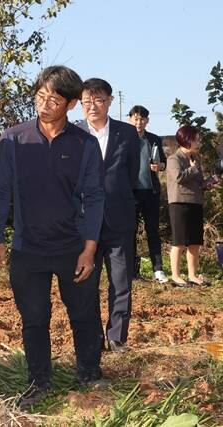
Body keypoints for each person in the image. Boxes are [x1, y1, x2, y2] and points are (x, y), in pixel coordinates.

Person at [0, 65, 104, 407]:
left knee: (84, 314)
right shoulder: (13, 139)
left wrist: (89, 249)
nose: (45, 103)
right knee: (34, 318)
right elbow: (0, 191)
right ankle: (38, 382)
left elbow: (95, 196)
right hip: (28, 249)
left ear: (70, 105)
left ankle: (89, 373)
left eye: (54, 98)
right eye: (40, 96)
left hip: (74, 247)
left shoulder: (84, 144)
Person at [77, 78, 139, 354]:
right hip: (84, 222)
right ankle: (92, 338)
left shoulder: (127, 133)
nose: (92, 106)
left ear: (110, 101)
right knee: (85, 284)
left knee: (121, 280)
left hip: (119, 218)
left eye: (98, 100)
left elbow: (133, 175)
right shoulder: (73, 134)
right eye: (86, 101)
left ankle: (117, 337)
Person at [166, 125, 213, 287]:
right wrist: (193, 169)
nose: (199, 141)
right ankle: (176, 275)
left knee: (194, 242)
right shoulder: (174, 158)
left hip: (195, 202)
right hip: (179, 203)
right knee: (179, 241)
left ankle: (192, 275)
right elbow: (179, 177)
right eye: (196, 138)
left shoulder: (197, 159)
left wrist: (209, 183)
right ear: (187, 140)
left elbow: (199, 182)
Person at [128, 105, 168, 283]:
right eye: (136, 118)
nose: (139, 122)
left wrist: (160, 166)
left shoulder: (154, 139)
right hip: (130, 193)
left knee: (153, 231)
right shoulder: (124, 139)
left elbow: (164, 162)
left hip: (150, 191)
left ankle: (158, 269)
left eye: (142, 119)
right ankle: (132, 270)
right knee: (130, 232)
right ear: (130, 119)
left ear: (147, 121)